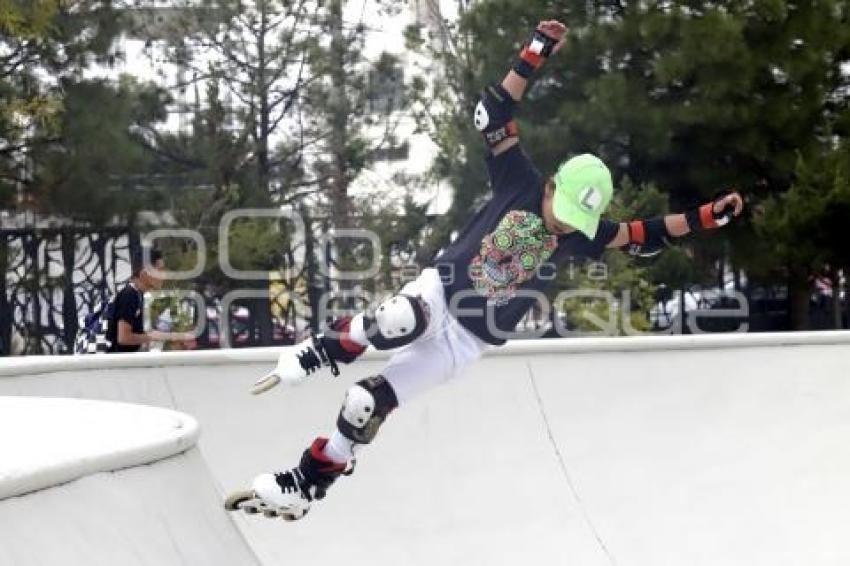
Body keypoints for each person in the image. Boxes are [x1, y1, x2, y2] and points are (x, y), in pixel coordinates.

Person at [228, 19, 744, 520]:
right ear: (551, 189)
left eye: (576, 222)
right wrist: (535, 51)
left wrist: (706, 217)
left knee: (365, 403)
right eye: (563, 215)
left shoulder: (584, 233)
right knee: (399, 318)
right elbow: (491, 111)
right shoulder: (518, 178)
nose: (565, 228)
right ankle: (323, 349)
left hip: (466, 343)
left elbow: (644, 233)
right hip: (440, 293)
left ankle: (305, 485)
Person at [106, 249, 192, 353]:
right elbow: (123, 338)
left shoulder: (137, 295)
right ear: (144, 274)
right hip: (109, 364)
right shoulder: (130, 295)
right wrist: (152, 337)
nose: (164, 275)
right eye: (160, 270)